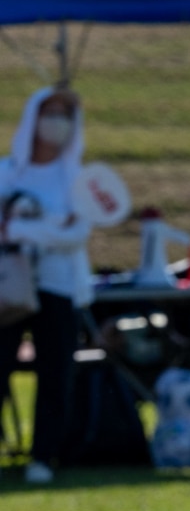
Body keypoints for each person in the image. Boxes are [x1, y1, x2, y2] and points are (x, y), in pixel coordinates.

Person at [0, 87, 93, 485]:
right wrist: (53, 227)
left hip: (59, 286)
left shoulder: (77, 178)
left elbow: (78, 234)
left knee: (56, 372)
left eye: (64, 115)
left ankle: (44, 456)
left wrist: (19, 228)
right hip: (9, 287)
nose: (57, 123)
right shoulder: (7, 172)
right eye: (49, 113)